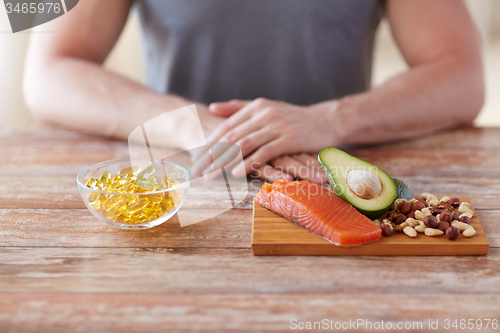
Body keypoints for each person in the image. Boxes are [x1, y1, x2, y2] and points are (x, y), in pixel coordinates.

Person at [24, 0, 484, 183]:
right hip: (183, 187)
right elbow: (49, 72)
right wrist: (196, 125)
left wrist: (333, 118)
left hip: (332, 182)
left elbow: (461, 75)